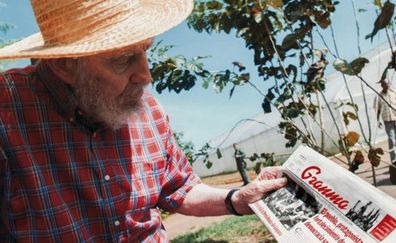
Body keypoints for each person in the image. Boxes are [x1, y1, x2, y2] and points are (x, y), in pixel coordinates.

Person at [0, 1, 288, 241]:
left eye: (145, 50)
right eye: (124, 59)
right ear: (65, 64)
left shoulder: (147, 110)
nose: (146, 76)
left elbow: (179, 188)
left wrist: (236, 199)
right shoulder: (7, 110)